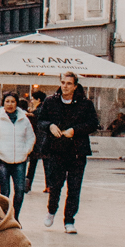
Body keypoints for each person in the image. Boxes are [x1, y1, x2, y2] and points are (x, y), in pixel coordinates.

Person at [38, 70, 99, 233]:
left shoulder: (85, 104)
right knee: (55, 185)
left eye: (69, 83)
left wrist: (75, 130)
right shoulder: (50, 101)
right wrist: (49, 126)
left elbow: (93, 123)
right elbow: (40, 120)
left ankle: (69, 220)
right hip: (56, 150)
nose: (65, 86)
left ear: (75, 86)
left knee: (74, 187)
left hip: (77, 151)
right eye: (63, 83)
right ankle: (51, 210)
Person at [0, 90, 34, 215]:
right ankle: (4, 217)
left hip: (20, 161)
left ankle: (15, 216)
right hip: (2, 160)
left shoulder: (24, 120)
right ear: (3, 103)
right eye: (7, 101)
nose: (10, 104)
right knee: (5, 191)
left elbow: (31, 137)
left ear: (17, 104)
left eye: (13, 102)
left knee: (19, 190)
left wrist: (26, 151)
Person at [23, 88, 47, 195]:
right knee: (45, 164)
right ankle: (48, 186)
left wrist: (28, 113)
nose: (31, 101)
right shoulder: (41, 109)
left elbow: (35, 115)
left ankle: (28, 184)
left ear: (38, 99)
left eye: (33, 99)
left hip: (39, 141)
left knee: (33, 164)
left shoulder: (41, 109)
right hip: (42, 141)